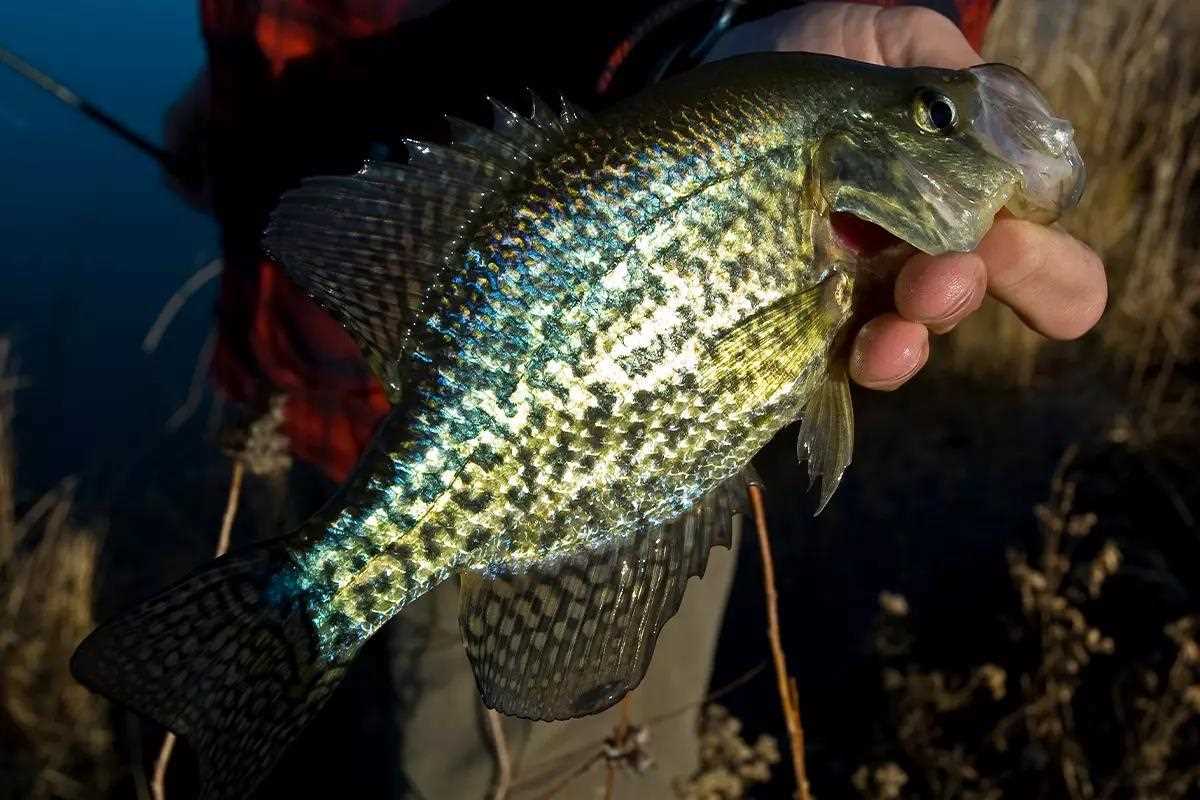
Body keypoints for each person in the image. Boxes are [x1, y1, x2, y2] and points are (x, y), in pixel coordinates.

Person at [162, 1, 1105, 797]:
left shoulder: (837, 194)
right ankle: (286, 646)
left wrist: (710, 27)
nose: (957, 125)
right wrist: (240, 97)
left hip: (433, 407)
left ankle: (290, 641)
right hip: (298, 369)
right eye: (937, 117)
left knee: (527, 772)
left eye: (934, 116)